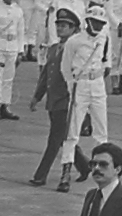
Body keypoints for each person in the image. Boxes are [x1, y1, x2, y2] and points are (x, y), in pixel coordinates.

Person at [28, 7, 91, 187]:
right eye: (59, 25)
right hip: (53, 101)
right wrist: (37, 96)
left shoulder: (75, 49)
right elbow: (46, 75)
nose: (61, 28)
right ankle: (84, 166)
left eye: (65, 26)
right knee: (64, 138)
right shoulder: (54, 48)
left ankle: (41, 175)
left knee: (54, 140)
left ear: (75, 29)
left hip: (67, 101)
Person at [59, 5, 109, 192]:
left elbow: (105, 60)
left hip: (97, 84)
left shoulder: (104, 38)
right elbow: (65, 69)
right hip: (79, 85)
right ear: (87, 21)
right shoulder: (74, 41)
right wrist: (72, 87)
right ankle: (65, 172)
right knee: (72, 132)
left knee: (101, 131)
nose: (98, 26)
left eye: (101, 23)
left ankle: (104, 170)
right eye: (95, 22)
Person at [0, 0, 25, 121]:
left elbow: (20, 31)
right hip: (0, 46)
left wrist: (20, 51)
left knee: (9, 78)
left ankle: (5, 105)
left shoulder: (18, 10)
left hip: (12, 46)